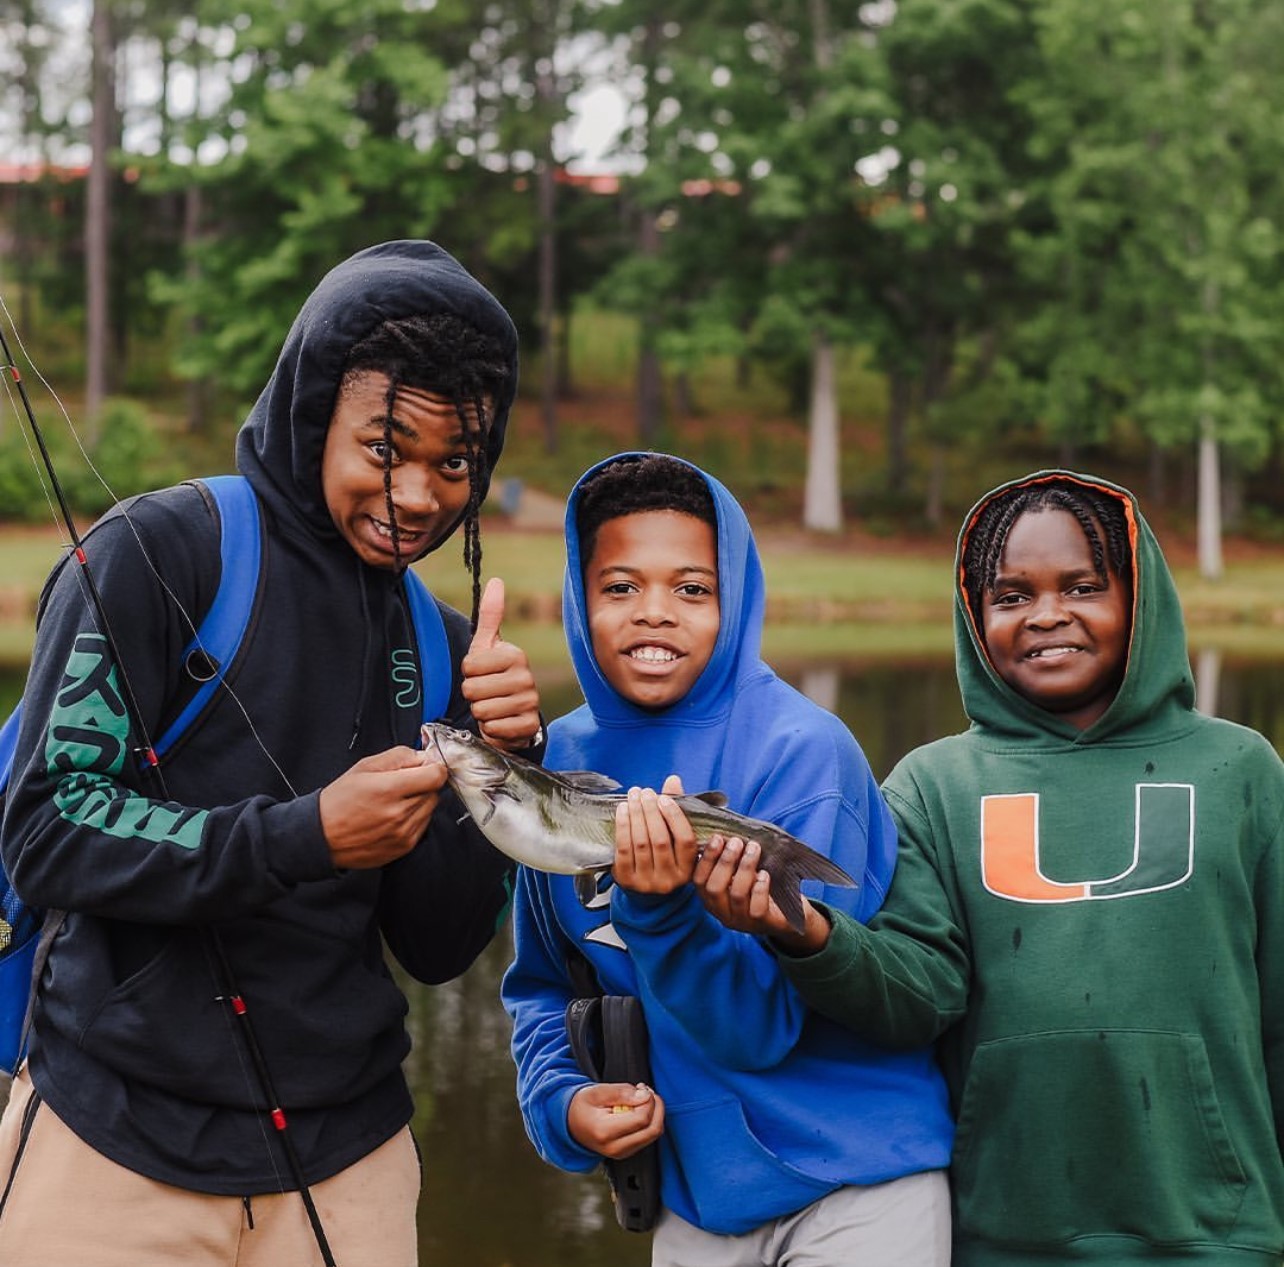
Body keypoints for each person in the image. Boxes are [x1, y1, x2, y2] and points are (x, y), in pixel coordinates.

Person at [0, 240, 543, 1265]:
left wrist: (495, 764)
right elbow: (45, 828)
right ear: (312, 417)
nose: (419, 493)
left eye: (454, 462)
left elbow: (432, 946)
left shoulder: (443, 642)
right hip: (111, 1140)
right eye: (386, 446)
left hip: (352, 1157)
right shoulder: (158, 554)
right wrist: (304, 836)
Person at [712, 469, 1284, 1265]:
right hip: (1004, 1231)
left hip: (1217, 1230)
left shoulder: (1241, 768)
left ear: (1140, 597)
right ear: (976, 617)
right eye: (1011, 595)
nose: (1047, 615)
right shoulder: (933, 784)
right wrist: (806, 932)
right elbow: (920, 993)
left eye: (1082, 585)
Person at [501, 452, 953, 1266]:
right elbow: (541, 985)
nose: (655, 614)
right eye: (620, 587)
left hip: (857, 1182)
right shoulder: (557, 761)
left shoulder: (804, 752)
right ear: (579, 598)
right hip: (697, 1196)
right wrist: (562, 1104)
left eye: (692, 588)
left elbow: (761, 1027)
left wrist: (661, 910)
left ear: (735, 597)